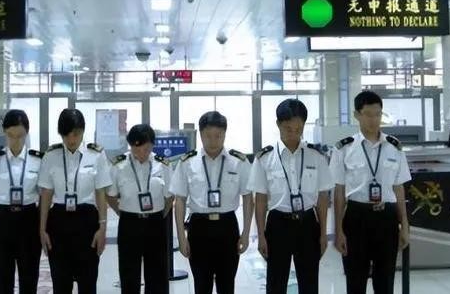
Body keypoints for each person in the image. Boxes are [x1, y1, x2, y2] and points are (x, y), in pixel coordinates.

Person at [330, 90, 411, 294]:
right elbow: (339, 192)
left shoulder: (394, 147)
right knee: (355, 281)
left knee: (385, 281)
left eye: (377, 114)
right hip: (356, 217)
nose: (374, 119)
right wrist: (338, 230)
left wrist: (404, 225)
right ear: (357, 115)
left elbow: (399, 188)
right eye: (368, 114)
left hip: (387, 218)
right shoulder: (343, 149)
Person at [248, 99, 332, 294]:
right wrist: (261, 235)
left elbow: (322, 198)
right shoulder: (265, 158)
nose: (294, 134)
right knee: (276, 283)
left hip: (308, 223)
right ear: (278, 124)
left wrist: (323, 234)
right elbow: (260, 200)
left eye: (298, 129)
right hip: (278, 224)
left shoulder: (316, 156)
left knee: (309, 283)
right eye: (288, 129)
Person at [170, 111, 253, 294]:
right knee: (201, 284)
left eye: (218, 135)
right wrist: (181, 237)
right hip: (199, 229)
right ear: (200, 134)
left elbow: (248, 197)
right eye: (208, 136)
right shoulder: (188, 162)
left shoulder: (238, 162)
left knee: (227, 284)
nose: (213, 141)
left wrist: (246, 233)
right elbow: (180, 200)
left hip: (227, 227)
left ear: (225, 134)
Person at [38, 108, 112, 294]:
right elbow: (46, 194)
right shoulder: (51, 156)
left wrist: (102, 228)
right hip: (58, 222)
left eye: (76, 134)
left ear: (83, 131)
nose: (71, 140)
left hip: (87, 221)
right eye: (66, 135)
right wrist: (42, 229)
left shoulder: (96, 155)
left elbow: (101, 193)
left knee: (88, 282)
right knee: (61, 283)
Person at [0, 109, 43, 294]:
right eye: (11, 135)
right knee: (2, 278)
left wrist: (40, 225)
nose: (15, 140)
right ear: (5, 133)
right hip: (2, 220)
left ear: (27, 133)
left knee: (29, 277)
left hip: (29, 220)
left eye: (20, 136)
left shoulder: (37, 160)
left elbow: (43, 196)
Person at [106, 123, 173, 294]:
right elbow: (110, 195)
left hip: (156, 224)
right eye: (137, 150)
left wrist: (159, 215)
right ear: (130, 146)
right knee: (129, 273)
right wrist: (122, 212)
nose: (142, 154)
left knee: (158, 274)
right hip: (129, 224)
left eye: (146, 149)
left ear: (152, 145)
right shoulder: (119, 165)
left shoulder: (163, 165)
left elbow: (169, 196)